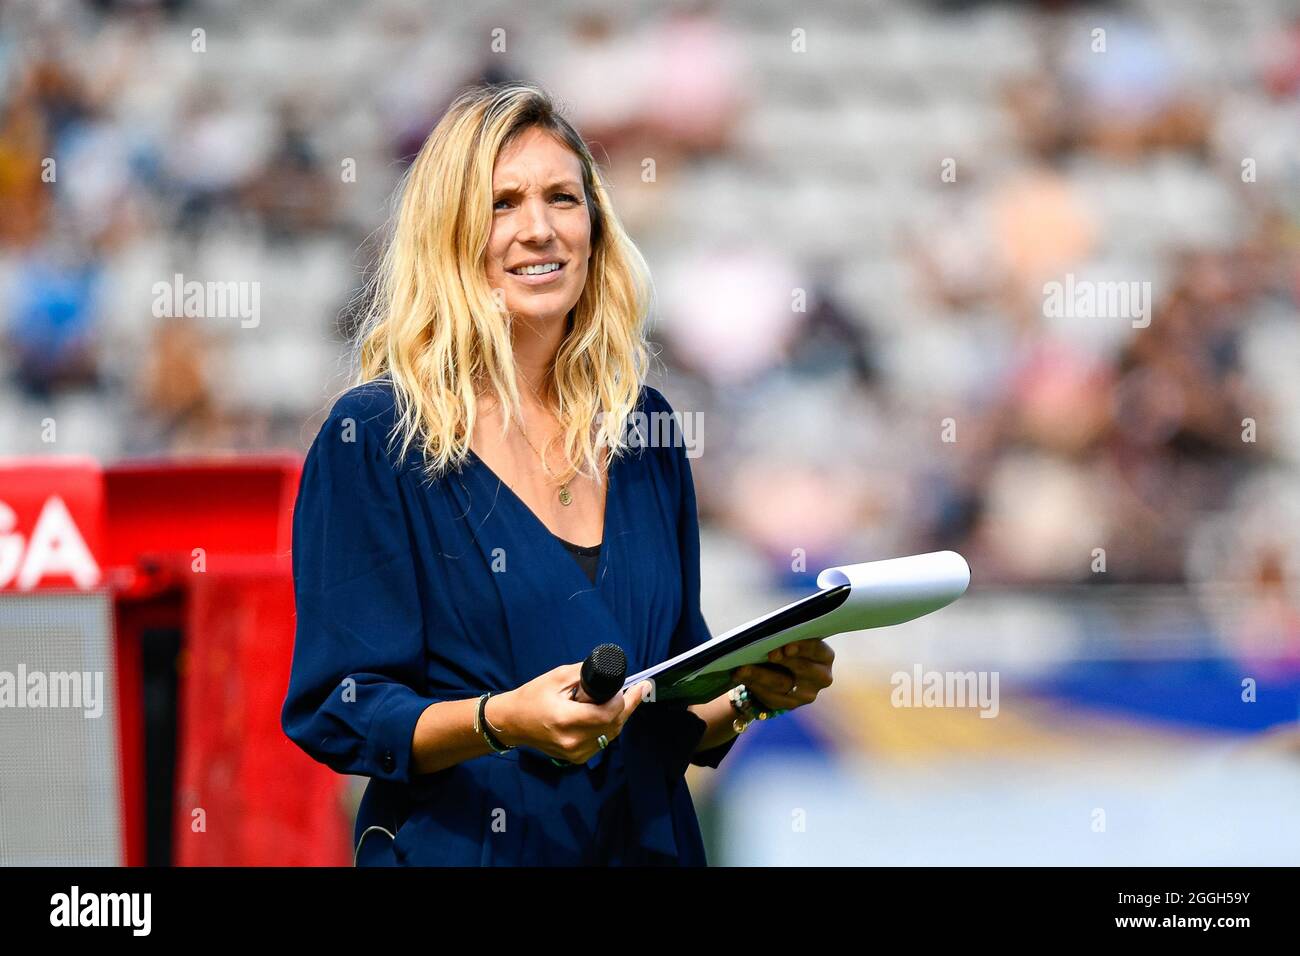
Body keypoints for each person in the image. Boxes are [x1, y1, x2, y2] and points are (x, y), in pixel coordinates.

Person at [280, 82, 835, 866]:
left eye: (561, 198)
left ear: (596, 227)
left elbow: (667, 704)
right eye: (502, 204)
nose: (538, 230)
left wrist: (753, 693)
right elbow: (341, 708)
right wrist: (498, 720)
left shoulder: (644, 428)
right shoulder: (373, 437)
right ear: (450, 234)